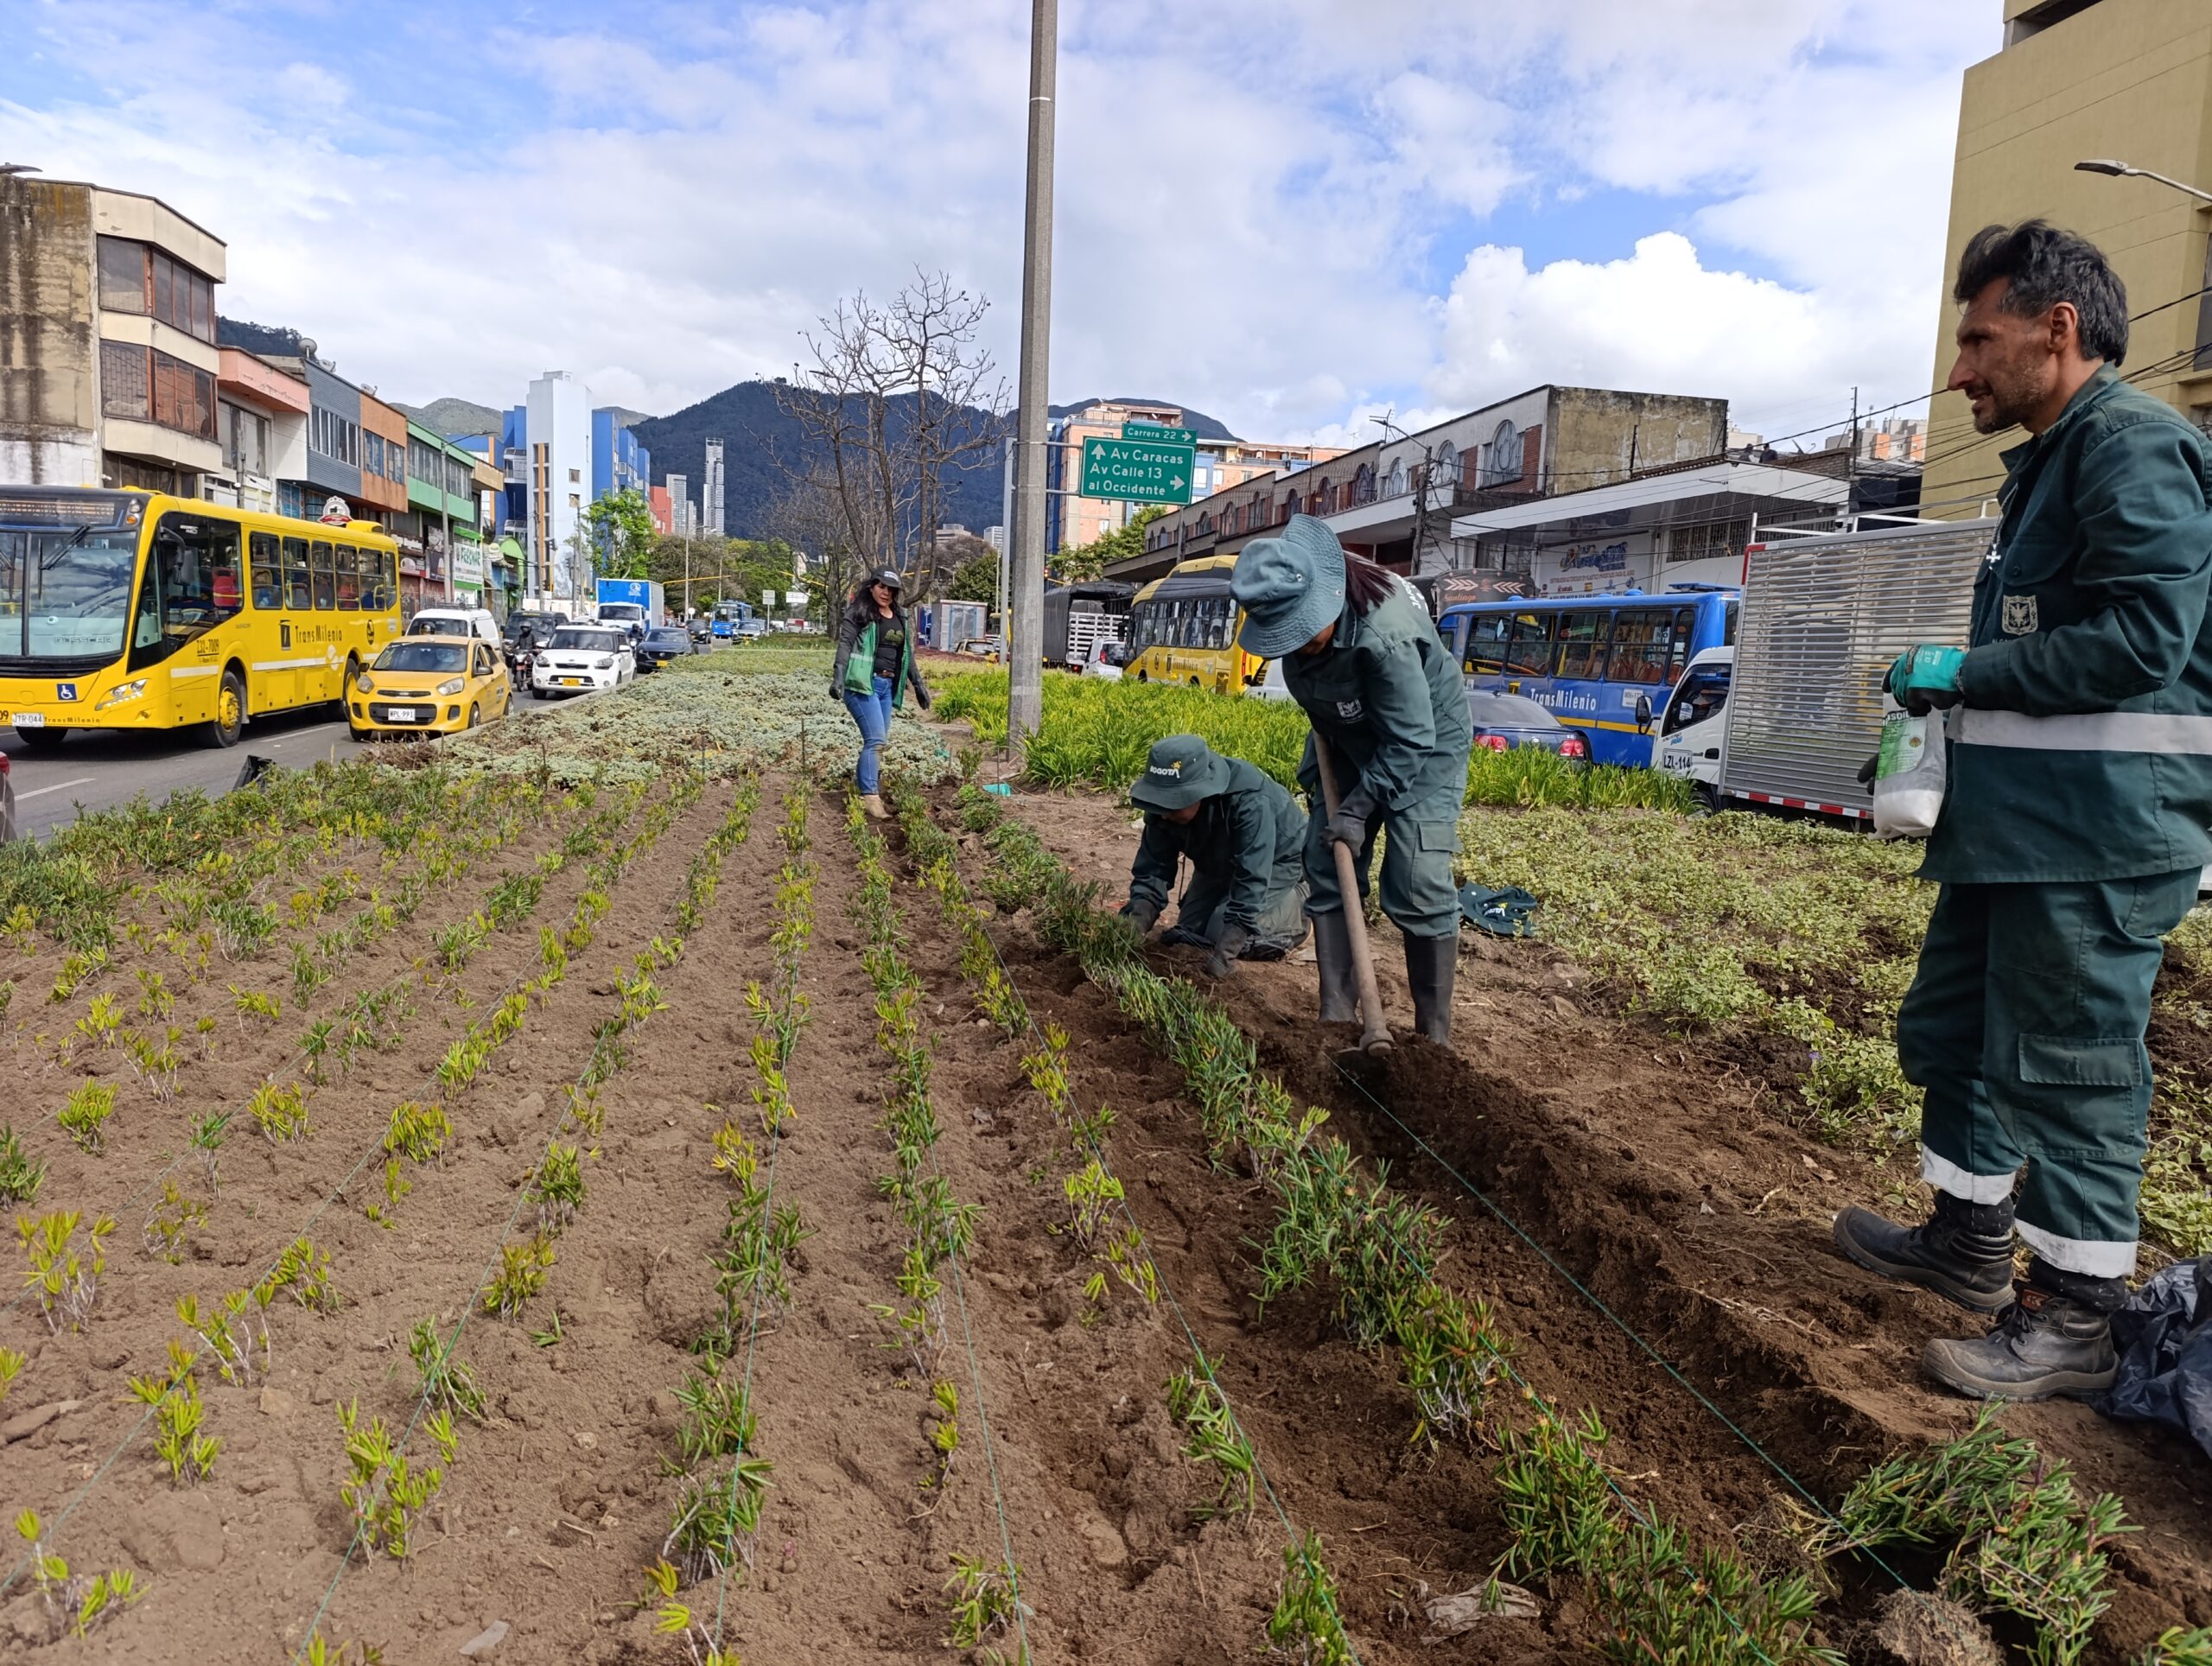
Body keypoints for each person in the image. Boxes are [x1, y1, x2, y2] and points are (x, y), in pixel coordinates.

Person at [1833, 221, 2212, 1402]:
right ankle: (1969, 1242)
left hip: (2099, 836)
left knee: (2073, 1065)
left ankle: (2077, 1315)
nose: (1959, 372)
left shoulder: (2134, 449)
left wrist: (1968, 672)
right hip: (2016, 831)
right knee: (1961, 1034)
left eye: (1977, 341)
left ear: (2059, 329)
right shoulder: (2054, 457)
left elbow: (2145, 645)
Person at [1230, 514, 1472, 1042]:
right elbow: (1324, 713)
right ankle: (1336, 1014)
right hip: (1343, 735)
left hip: (1425, 742)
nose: (1294, 643)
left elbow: (1412, 738)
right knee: (1326, 861)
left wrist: (1362, 808)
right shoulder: (1299, 639)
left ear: (1324, 599)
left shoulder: (1384, 638)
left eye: (1300, 629)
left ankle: (1434, 1037)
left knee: (1416, 880)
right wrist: (1338, 802)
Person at [1118, 734, 1309, 977]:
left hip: (1276, 860)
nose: (1164, 815)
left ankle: (1300, 909)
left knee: (1222, 934)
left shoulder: (1250, 802)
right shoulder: (1163, 812)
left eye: (1172, 804)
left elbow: (1252, 877)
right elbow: (1152, 871)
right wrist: (1134, 927)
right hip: (1218, 860)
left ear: (1200, 792)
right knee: (1190, 933)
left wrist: (1226, 953)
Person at [830, 569, 931, 819]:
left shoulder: (900, 616)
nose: (886, 592)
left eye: (891, 589)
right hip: (863, 684)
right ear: (872, 587)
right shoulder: (860, 613)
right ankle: (870, 797)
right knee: (876, 741)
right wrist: (838, 675)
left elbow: (906, 652)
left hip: (887, 688)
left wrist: (917, 684)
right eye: (882, 587)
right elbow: (845, 644)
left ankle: (866, 788)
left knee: (877, 743)